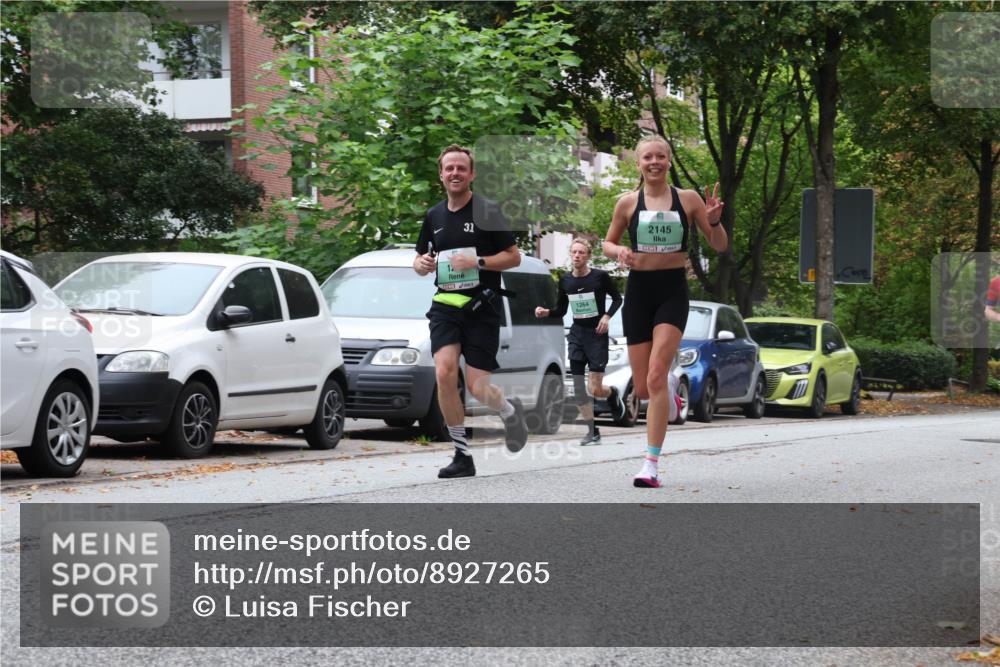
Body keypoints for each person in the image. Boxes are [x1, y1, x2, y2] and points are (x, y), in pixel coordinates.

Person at [602, 135, 726, 488]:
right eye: (647, 157)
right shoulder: (627, 203)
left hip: (672, 291)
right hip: (639, 292)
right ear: (638, 163)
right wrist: (618, 252)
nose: (654, 162)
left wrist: (714, 222)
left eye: (660, 156)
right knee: (644, 389)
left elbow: (720, 246)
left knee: (655, 376)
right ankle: (669, 386)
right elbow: (608, 242)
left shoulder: (688, 199)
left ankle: (650, 465)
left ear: (669, 161)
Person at [414, 144, 528, 479]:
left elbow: (513, 257)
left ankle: (508, 411)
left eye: (461, 168)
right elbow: (420, 259)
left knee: (478, 388)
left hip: (482, 306)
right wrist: (421, 264)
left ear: (472, 174)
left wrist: (476, 261)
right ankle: (462, 455)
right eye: (449, 168)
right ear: (441, 175)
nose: (455, 173)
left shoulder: (487, 211)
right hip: (446, 305)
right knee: (444, 372)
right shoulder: (434, 216)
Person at [535, 238, 624, 445]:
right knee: (577, 388)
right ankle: (592, 431)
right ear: (570, 254)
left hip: (596, 336)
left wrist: (606, 317)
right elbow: (561, 310)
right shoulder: (566, 280)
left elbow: (617, 299)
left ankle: (612, 394)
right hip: (577, 335)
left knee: (595, 389)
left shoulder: (600, 277)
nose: (577, 256)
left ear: (588, 256)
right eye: (574, 252)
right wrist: (546, 312)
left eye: (581, 252)